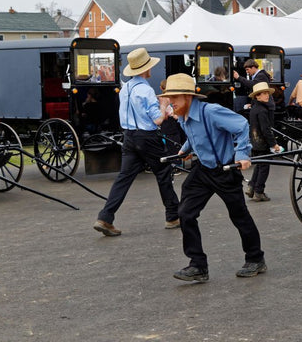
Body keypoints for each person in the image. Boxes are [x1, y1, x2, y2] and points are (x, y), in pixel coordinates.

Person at [159, 73, 266, 282]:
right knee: (186, 213)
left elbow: (242, 126)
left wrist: (242, 154)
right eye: (169, 98)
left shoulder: (212, 112)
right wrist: (186, 148)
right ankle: (197, 265)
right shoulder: (183, 116)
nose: (170, 103)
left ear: (188, 97)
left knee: (239, 216)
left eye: (174, 98)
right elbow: (193, 135)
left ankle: (256, 258)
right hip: (203, 170)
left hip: (224, 170)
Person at [93, 48, 180, 237]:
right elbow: (157, 120)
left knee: (124, 177)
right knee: (163, 172)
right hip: (147, 137)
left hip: (129, 136)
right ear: (145, 69)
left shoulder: (126, 89)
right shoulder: (146, 89)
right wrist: (164, 105)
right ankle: (172, 216)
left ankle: (105, 216)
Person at [246, 82, 281, 202]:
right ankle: (259, 191)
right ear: (257, 96)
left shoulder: (254, 109)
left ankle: (251, 186)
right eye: (264, 94)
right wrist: (273, 144)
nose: (267, 96)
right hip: (262, 142)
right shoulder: (262, 111)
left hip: (255, 142)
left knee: (259, 165)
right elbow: (266, 130)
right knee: (264, 167)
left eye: (267, 93)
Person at [159, 79, 186, 170]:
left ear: (160, 88)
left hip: (165, 127)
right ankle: (177, 164)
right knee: (175, 145)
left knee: (168, 146)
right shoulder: (172, 98)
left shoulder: (160, 98)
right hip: (172, 126)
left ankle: (171, 164)